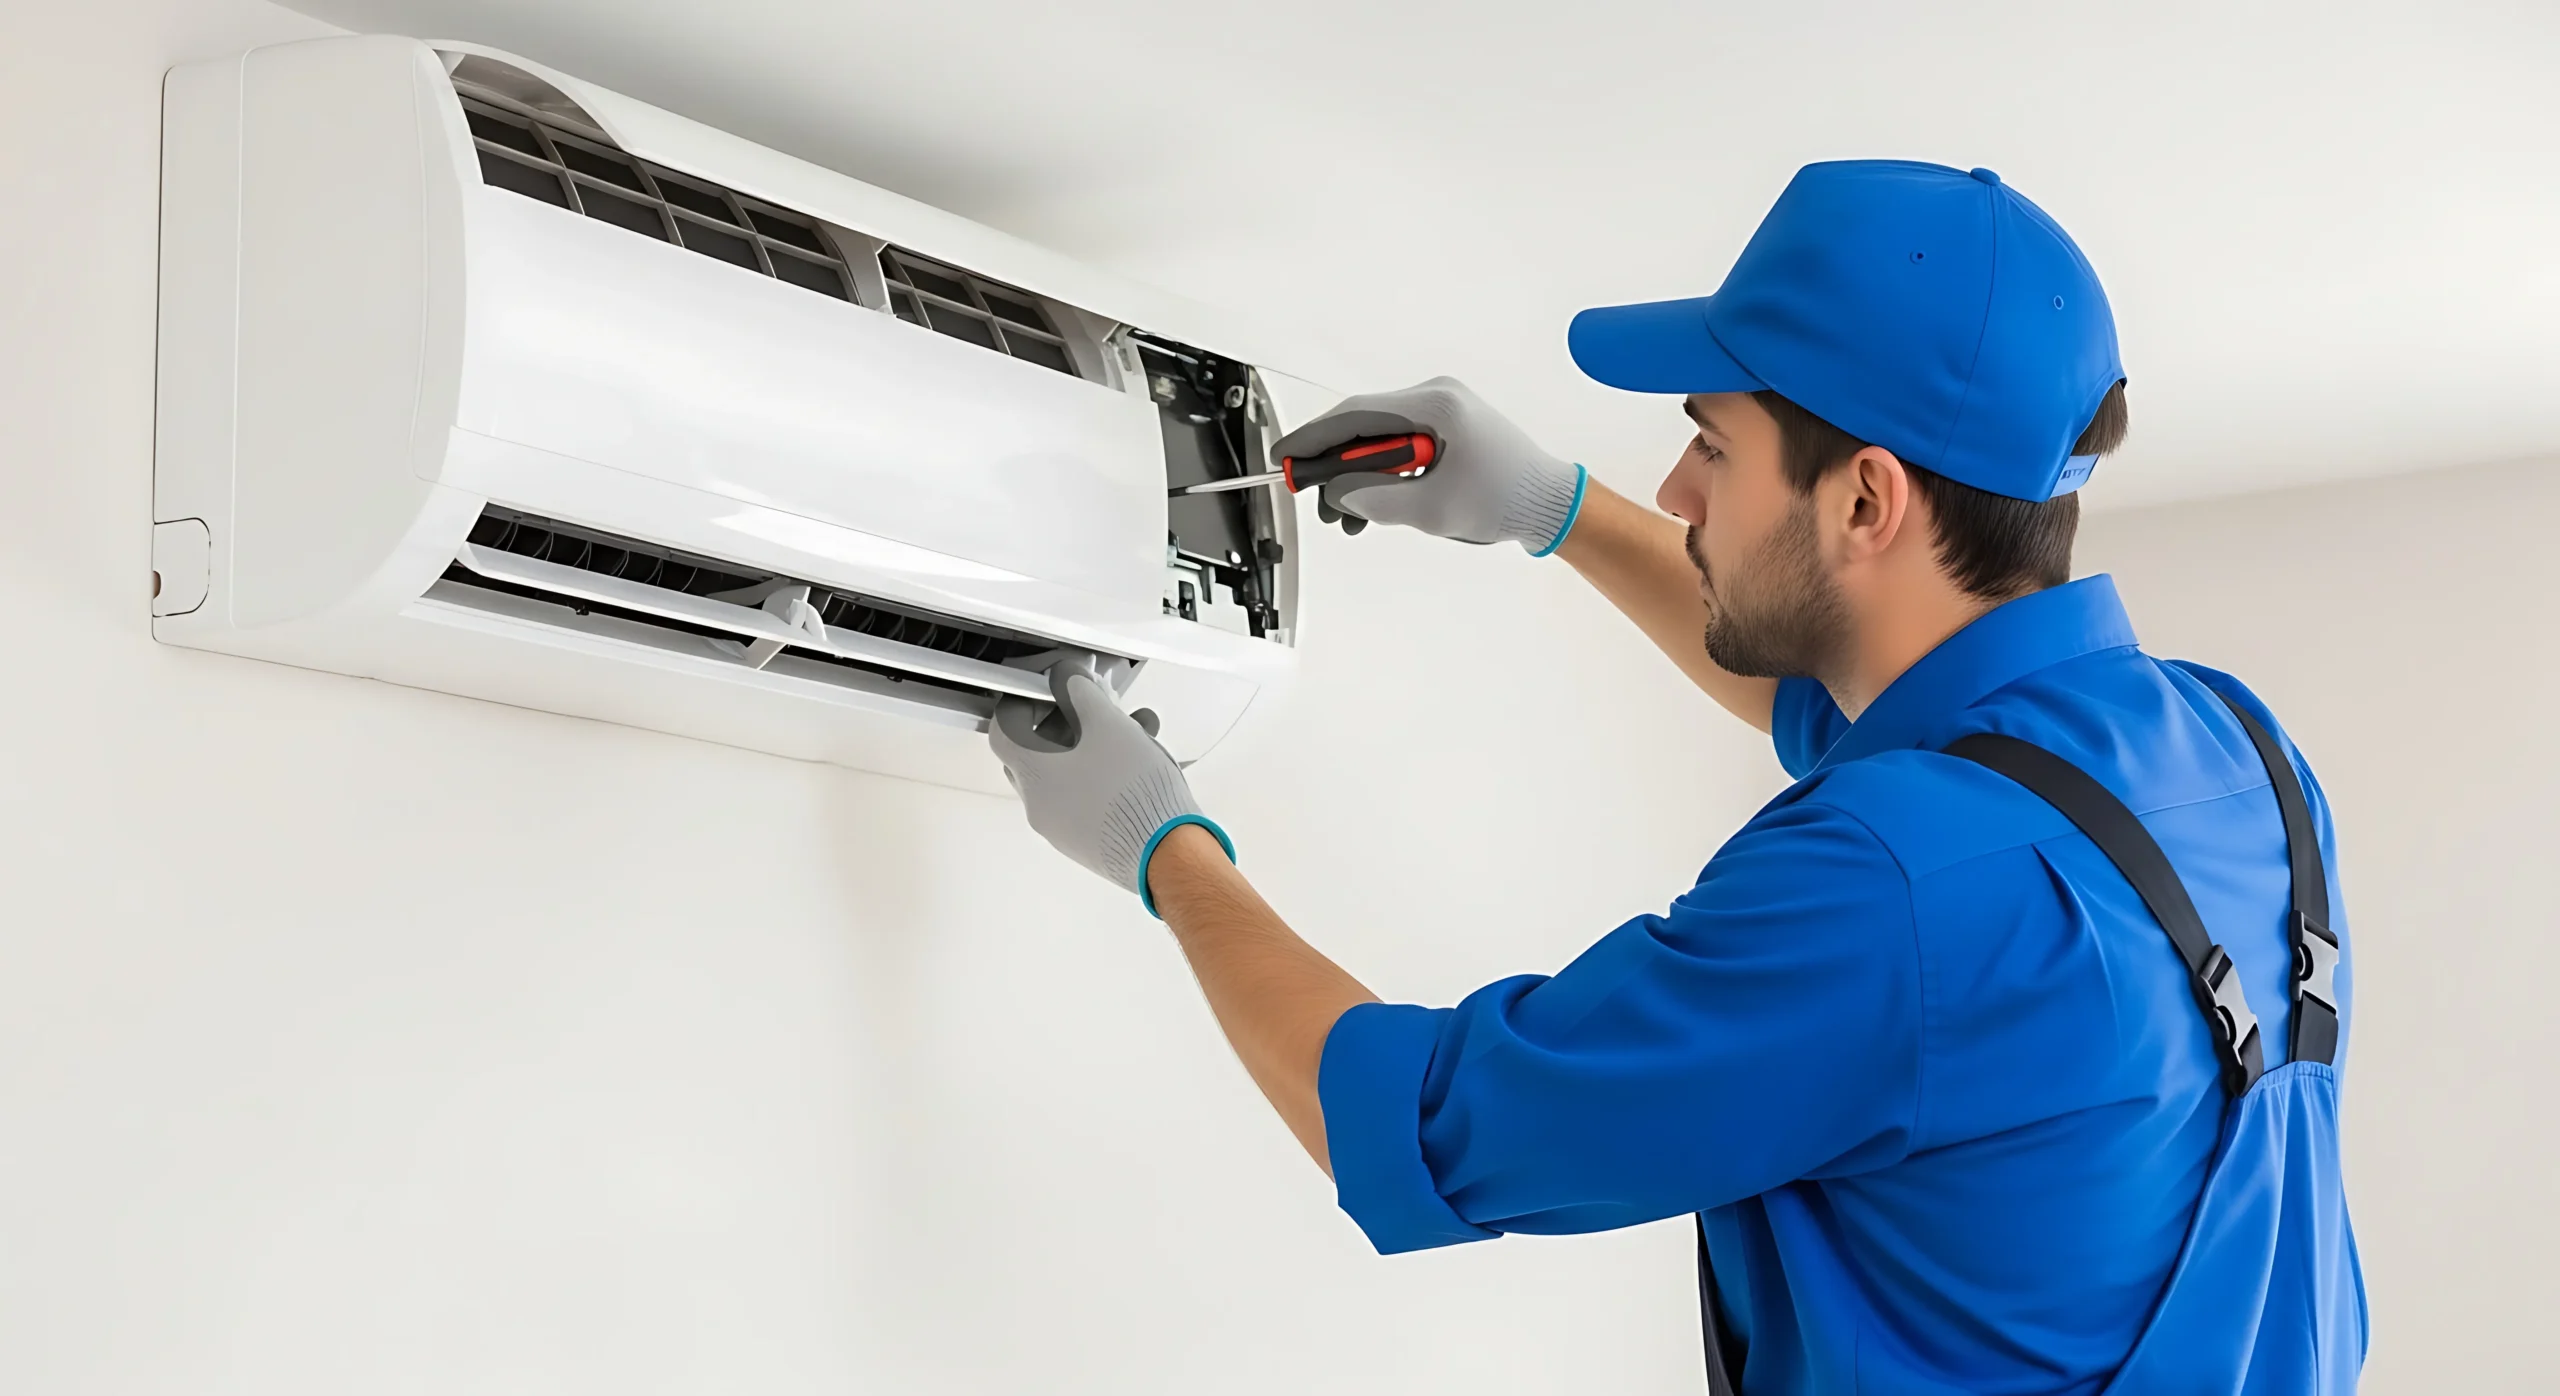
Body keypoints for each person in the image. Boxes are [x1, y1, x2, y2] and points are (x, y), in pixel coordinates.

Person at [988, 160, 2365, 1395]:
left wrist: (1164, 845)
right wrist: (1559, 511)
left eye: (1711, 445)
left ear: (1868, 500)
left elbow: (1415, 1126)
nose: (1683, 490)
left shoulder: (1889, 887)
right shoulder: (2235, 756)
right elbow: (1848, 709)